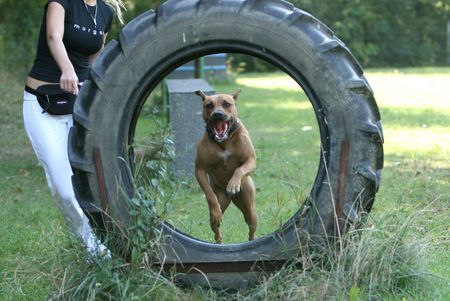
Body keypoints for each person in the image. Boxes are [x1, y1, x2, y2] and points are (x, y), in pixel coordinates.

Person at [23, 0, 125, 259]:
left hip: (77, 105)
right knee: (63, 187)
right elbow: (53, 36)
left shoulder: (105, 12)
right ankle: (93, 247)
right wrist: (66, 68)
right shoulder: (61, 2)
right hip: (41, 103)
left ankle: (99, 244)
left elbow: (93, 59)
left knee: (82, 182)